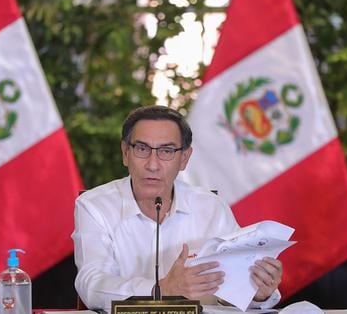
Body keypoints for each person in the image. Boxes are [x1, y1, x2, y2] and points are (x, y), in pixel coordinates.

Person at [72, 105, 282, 310]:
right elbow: (92, 286)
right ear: (125, 153)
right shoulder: (95, 205)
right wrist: (162, 289)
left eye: (167, 151)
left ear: (184, 158)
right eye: (142, 149)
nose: (152, 164)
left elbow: (232, 290)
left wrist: (256, 293)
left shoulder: (210, 207)